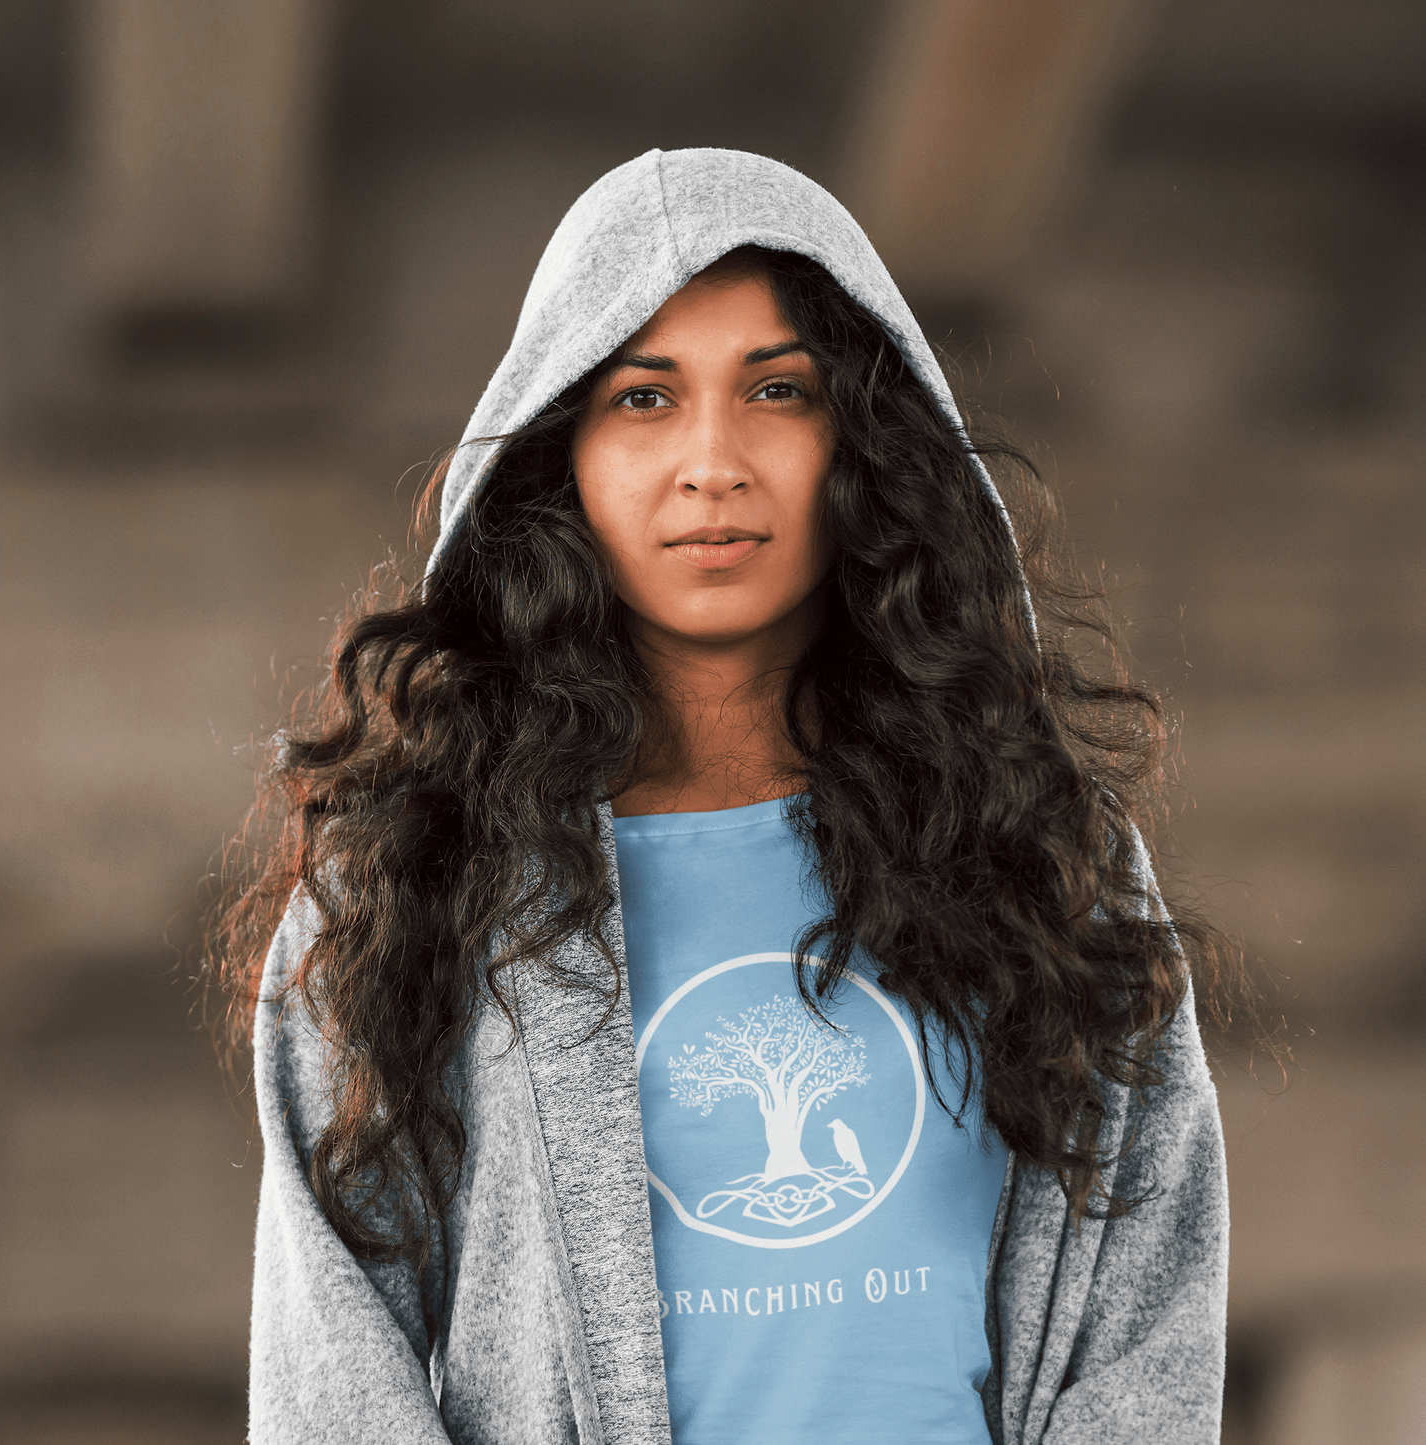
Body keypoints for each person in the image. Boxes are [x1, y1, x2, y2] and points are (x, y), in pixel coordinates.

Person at [215, 149, 1229, 1445]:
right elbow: (332, 1367)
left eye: (778, 390)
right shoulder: (413, 868)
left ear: (862, 436)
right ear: (558, 450)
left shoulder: (1037, 842)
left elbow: (1149, 1302)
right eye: (645, 396)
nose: (713, 461)